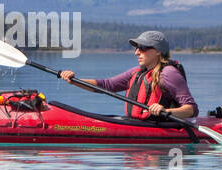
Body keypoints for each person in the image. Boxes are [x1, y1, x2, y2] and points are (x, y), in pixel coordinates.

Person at [58, 30, 198, 121]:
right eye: (136, 48)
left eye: (142, 48)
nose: (137, 52)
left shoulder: (168, 73)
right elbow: (106, 85)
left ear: (157, 51)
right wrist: (74, 81)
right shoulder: (136, 72)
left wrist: (165, 111)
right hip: (135, 125)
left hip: (159, 129)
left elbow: (191, 110)